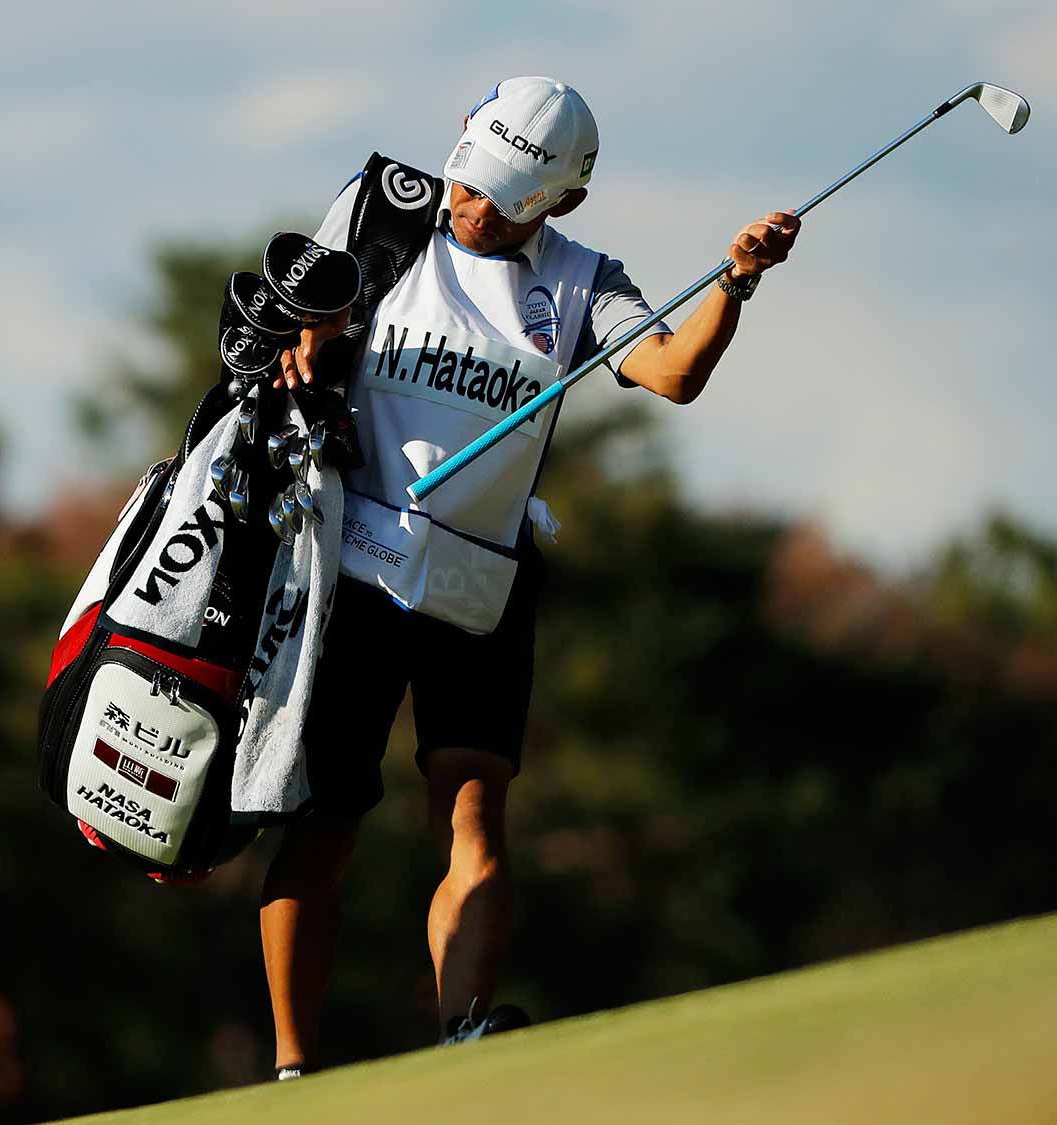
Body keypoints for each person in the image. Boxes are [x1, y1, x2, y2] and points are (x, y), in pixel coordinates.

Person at [257, 77, 799, 1078]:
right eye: (470, 179)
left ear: (561, 202)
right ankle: (291, 1072)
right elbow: (303, 325)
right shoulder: (383, 215)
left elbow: (671, 374)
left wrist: (733, 282)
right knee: (323, 820)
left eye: (505, 197)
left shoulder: (584, 280)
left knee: (471, 810)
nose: (473, 207)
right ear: (459, 141)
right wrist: (309, 343)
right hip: (356, 573)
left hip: (479, 586)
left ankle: (462, 1032)